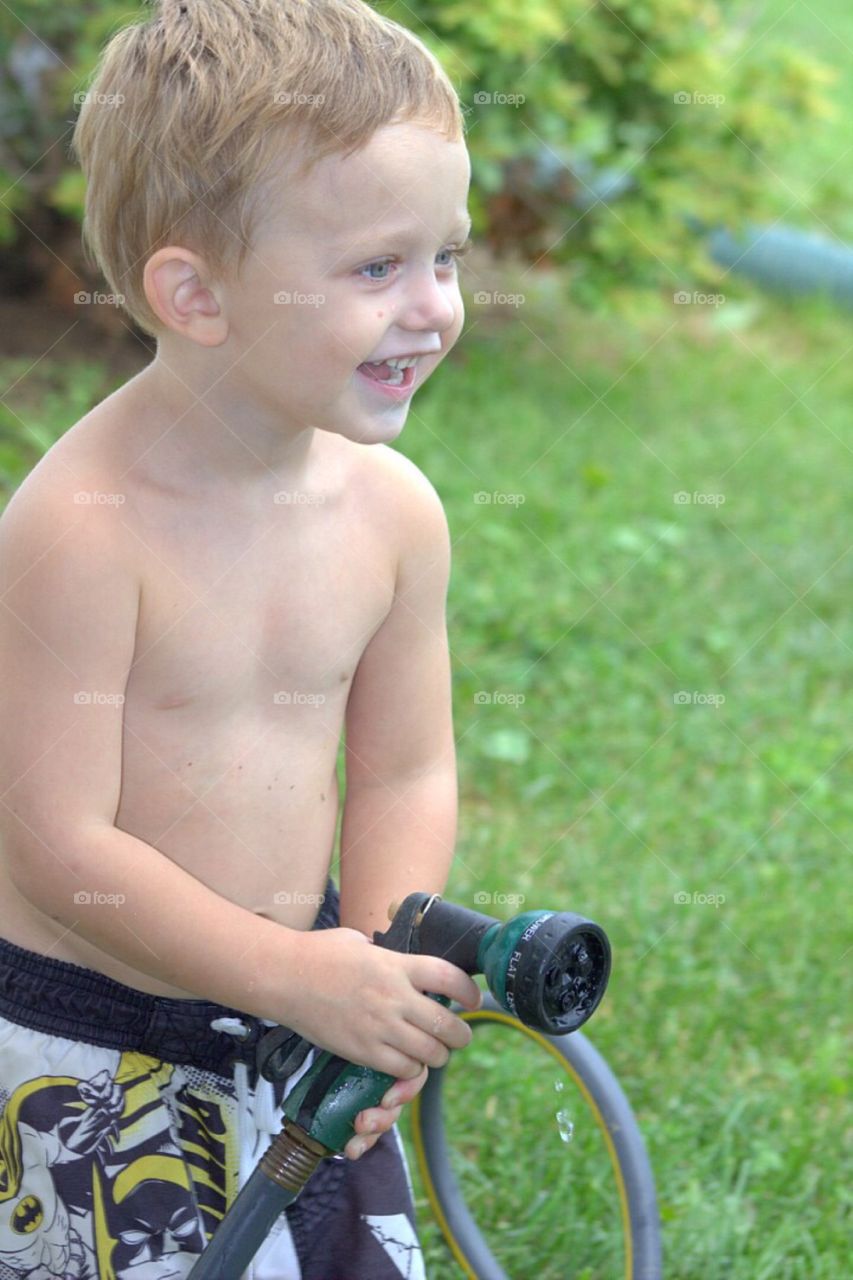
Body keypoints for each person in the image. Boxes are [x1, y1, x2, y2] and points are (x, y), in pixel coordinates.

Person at [0, 1, 482, 1275]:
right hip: (98, 1036)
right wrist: (289, 975)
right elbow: (54, 843)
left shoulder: (391, 513)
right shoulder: (83, 529)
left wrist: (376, 979)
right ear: (196, 293)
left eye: (446, 255)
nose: (432, 307)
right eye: (377, 268)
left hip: (307, 1003)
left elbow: (402, 771)